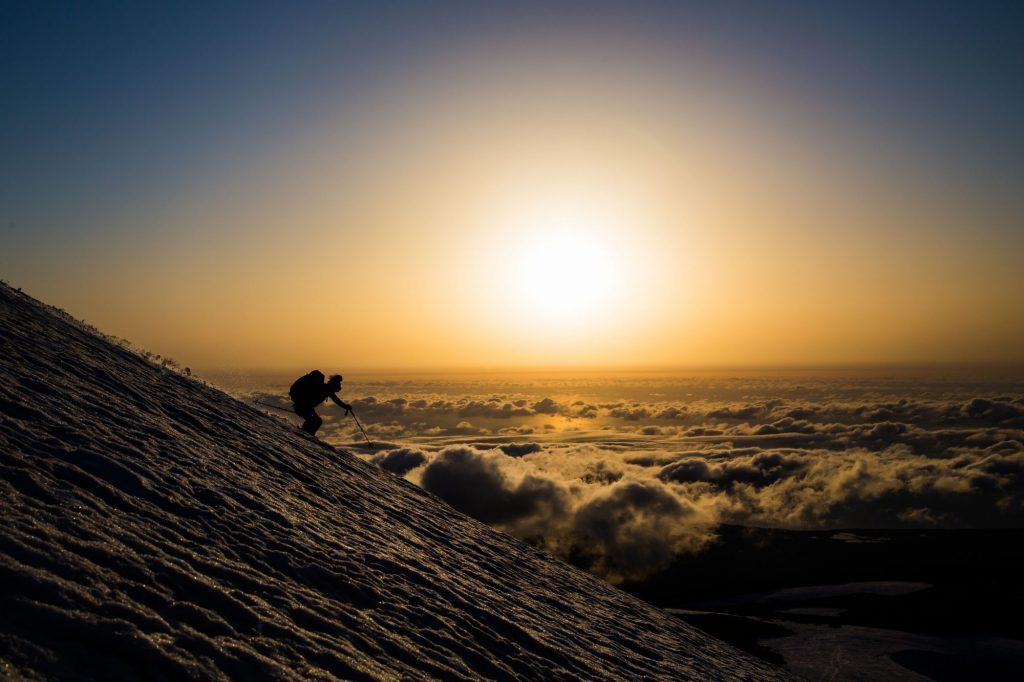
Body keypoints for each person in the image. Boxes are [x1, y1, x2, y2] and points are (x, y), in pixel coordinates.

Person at [289, 370, 352, 436]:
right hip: (302, 406)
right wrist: (345, 406)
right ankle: (305, 434)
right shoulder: (325, 389)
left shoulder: (325, 388)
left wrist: (345, 406)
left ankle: (306, 433)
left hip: (301, 406)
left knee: (315, 420)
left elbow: (335, 399)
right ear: (334, 385)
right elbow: (335, 399)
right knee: (315, 420)